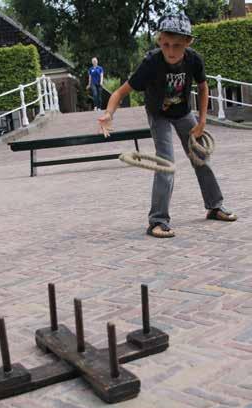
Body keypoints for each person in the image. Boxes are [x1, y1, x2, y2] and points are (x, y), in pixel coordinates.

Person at [98, 11, 237, 239]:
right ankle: (157, 221)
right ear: (159, 42)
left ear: (187, 42)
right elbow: (120, 92)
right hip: (158, 114)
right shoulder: (151, 63)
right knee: (166, 162)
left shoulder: (193, 59)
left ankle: (215, 206)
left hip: (183, 113)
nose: (171, 51)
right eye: (166, 45)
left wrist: (202, 121)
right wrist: (108, 113)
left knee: (200, 156)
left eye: (177, 46)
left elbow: (203, 89)